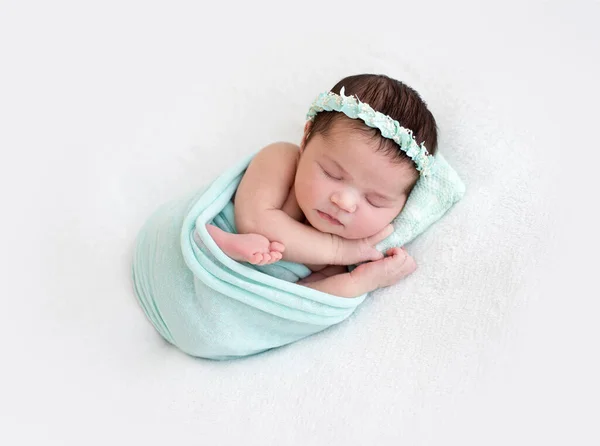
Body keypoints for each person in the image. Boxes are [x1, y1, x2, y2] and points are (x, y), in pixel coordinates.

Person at [205, 74, 438, 298]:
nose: (345, 203)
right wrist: (340, 251)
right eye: (332, 174)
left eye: (375, 200)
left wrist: (362, 281)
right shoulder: (282, 159)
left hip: (226, 314)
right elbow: (254, 221)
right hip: (201, 262)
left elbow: (300, 300)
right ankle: (216, 243)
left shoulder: (346, 255)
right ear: (306, 139)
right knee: (203, 236)